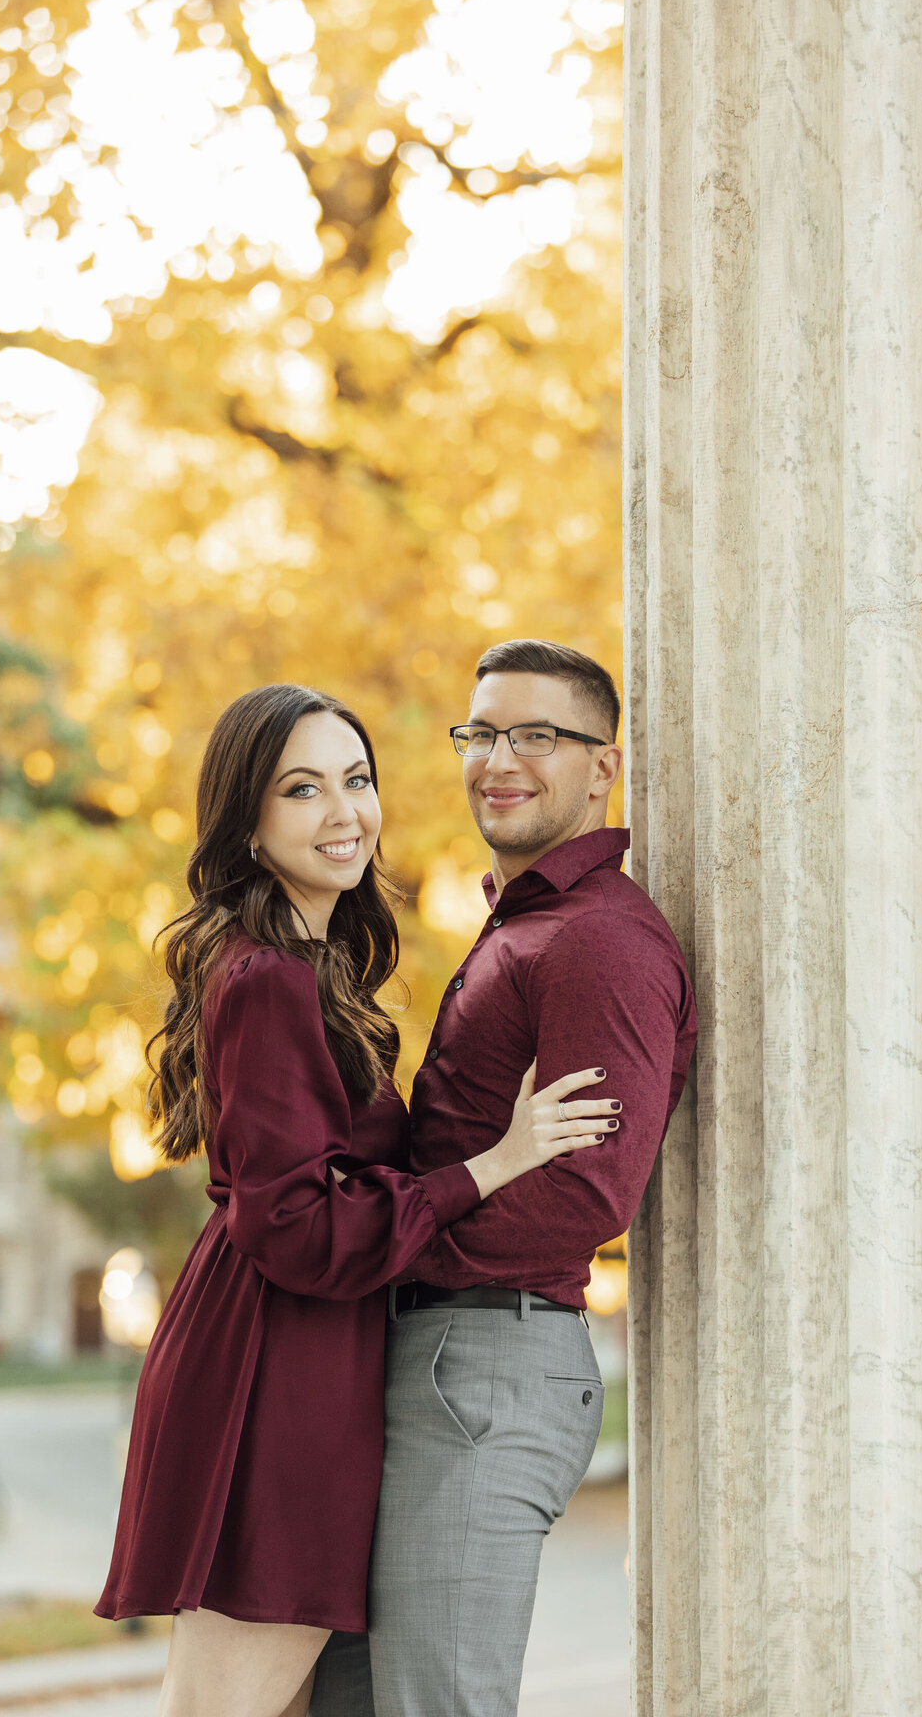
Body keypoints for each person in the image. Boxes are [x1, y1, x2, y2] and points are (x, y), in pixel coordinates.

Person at [93, 682, 619, 1717]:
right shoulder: (269, 981)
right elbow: (291, 1226)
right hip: (269, 1374)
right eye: (303, 790)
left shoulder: (311, 968)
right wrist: (496, 1163)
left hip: (299, 1358)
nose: (346, 814)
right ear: (247, 823)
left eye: (358, 780)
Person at [310, 639, 697, 1717]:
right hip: (437, 1353)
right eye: (481, 732)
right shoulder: (529, 926)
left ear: (602, 768)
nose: (498, 758)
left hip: (486, 1363)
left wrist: (391, 1237)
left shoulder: (599, 942)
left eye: (537, 735)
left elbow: (588, 1192)